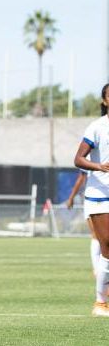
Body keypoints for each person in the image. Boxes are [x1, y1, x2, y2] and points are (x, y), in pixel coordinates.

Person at [74, 82, 109, 316]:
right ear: (105, 101)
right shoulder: (97, 127)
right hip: (100, 195)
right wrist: (99, 166)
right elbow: (78, 159)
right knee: (107, 246)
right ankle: (99, 303)